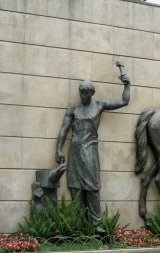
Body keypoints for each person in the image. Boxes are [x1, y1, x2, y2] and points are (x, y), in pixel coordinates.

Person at [56, 70, 130, 228]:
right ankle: (78, 224)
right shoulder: (73, 109)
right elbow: (64, 130)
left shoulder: (99, 105)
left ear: (92, 93)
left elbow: (124, 101)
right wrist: (58, 150)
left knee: (92, 187)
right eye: (81, 91)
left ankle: (96, 224)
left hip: (90, 150)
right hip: (75, 151)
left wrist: (127, 84)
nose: (83, 94)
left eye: (86, 92)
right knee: (75, 187)